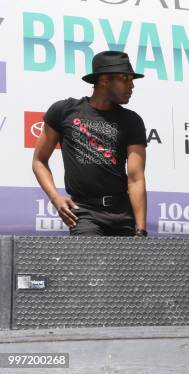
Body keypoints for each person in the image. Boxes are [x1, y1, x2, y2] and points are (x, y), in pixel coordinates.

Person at [32, 51, 148, 237]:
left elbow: (136, 178)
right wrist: (55, 198)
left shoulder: (132, 121)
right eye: (125, 78)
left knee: (124, 268)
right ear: (104, 80)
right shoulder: (64, 111)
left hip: (122, 214)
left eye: (131, 79)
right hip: (85, 212)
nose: (131, 85)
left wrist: (141, 230)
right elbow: (39, 160)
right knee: (91, 266)